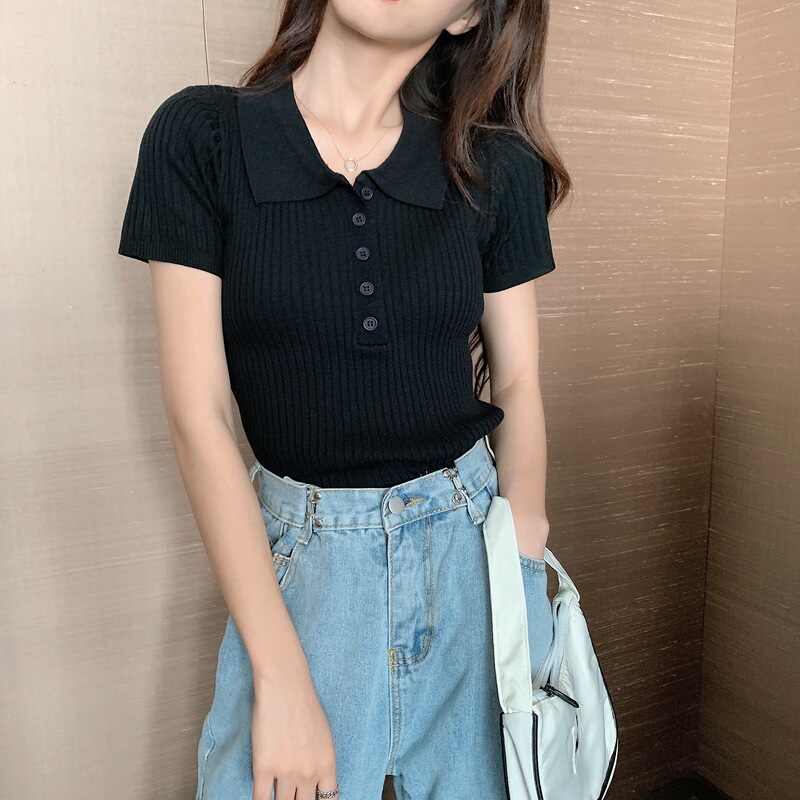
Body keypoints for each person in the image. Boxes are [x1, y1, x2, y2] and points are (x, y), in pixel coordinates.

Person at [118, 0, 571, 797]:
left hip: (474, 554)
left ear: (470, 15)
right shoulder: (202, 137)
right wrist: (281, 676)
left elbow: (520, 381)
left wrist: (522, 551)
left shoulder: (495, 165)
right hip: (306, 576)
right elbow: (200, 418)